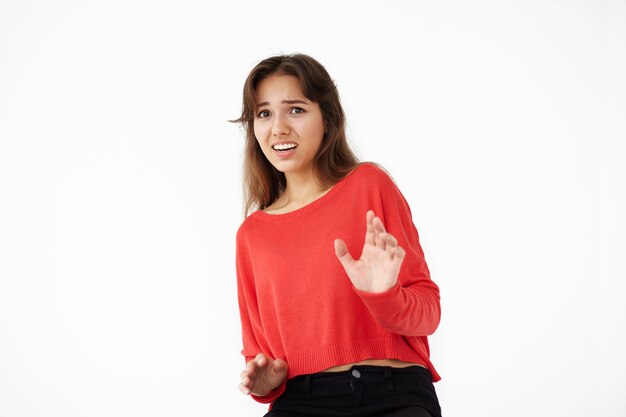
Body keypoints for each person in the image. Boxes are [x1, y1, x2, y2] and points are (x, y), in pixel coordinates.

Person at [231, 53, 442, 417]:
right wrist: (265, 384)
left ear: (327, 119)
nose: (278, 127)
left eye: (295, 109)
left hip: (392, 392)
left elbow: (429, 313)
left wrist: (384, 297)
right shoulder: (252, 235)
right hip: (302, 401)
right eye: (264, 113)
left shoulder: (369, 186)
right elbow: (259, 357)